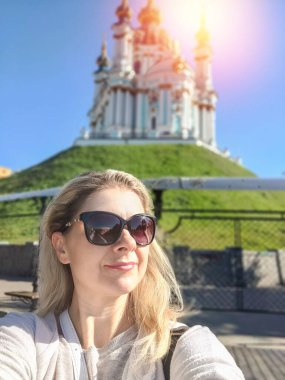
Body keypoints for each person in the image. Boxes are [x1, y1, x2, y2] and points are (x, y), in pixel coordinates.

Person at [0, 169, 245, 379]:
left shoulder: (183, 346)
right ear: (62, 247)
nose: (128, 242)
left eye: (140, 227)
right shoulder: (23, 337)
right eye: (103, 227)